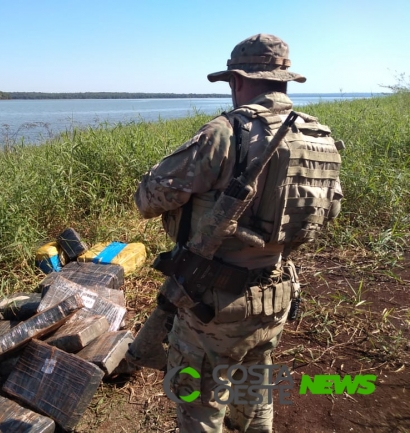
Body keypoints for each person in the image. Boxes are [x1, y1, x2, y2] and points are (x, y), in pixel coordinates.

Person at [134, 34, 343, 433]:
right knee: (255, 387)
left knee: (199, 401)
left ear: (237, 80)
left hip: (212, 301)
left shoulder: (225, 132)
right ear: (284, 80)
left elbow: (148, 200)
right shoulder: (321, 138)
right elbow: (328, 212)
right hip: (277, 293)